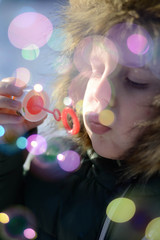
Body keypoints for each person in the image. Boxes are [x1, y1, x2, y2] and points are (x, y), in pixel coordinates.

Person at [1, 0, 160, 239]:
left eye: (135, 80)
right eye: (96, 69)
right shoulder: (54, 169)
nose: (99, 96)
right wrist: (6, 152)